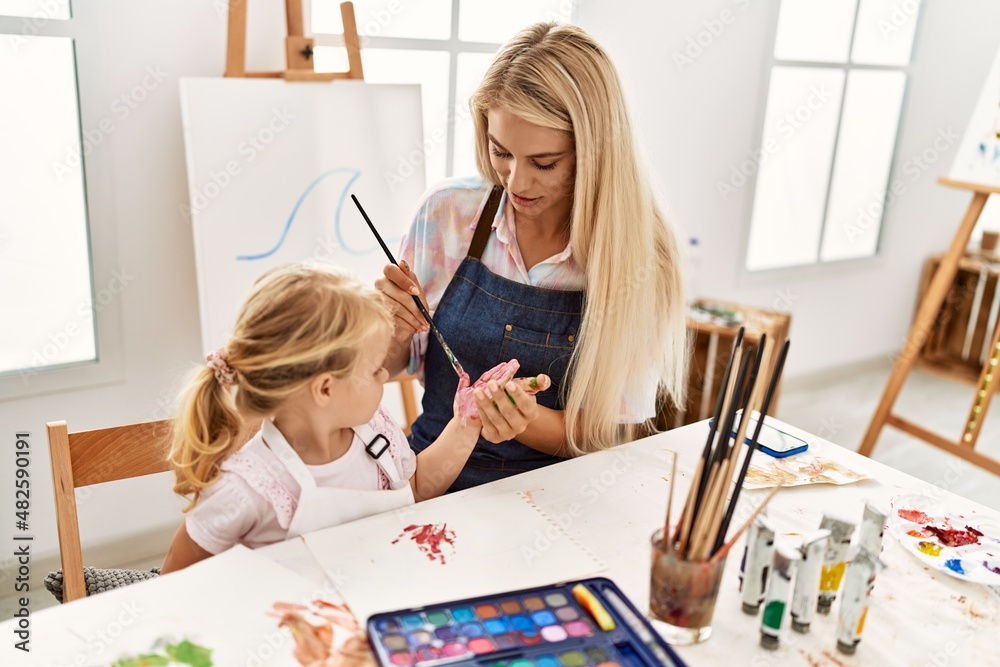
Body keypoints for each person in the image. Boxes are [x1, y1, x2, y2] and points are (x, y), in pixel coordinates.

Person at [377, 23, 687, 491]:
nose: (516, 182)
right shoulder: (448, 213)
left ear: (596, 152)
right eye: (501, 152)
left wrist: (526, 421)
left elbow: (614, 430)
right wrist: (395, 328)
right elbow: (388, 366)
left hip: (558, 498)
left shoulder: (642, 255)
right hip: (427, 481)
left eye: (544, 163)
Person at [161, 264, 481, 572]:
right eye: (373, 370)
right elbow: (174, 577)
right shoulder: (247, 486)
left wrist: (466, 424)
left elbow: (417, 487)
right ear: (325, 389)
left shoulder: (377, 432)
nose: (385, 374)